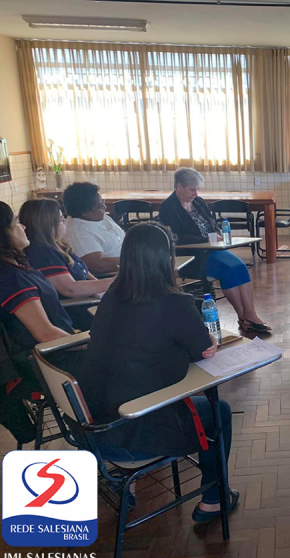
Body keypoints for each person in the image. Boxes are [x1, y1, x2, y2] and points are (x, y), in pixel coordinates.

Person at [81, 223, 239, 521]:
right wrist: (207, 338)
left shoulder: (113, 294)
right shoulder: (174, 303)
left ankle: (123, 480)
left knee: (131, 381)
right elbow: (202, 349)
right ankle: (213, 499)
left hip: (91, 426)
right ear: (167, 259)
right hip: (133, 432)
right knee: (220, 411)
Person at [0, 201, 83, 441]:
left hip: (48, 355)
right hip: (49, 362)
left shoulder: (7, 268)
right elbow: (45, 334)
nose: (22, 226)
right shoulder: (11, 278)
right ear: (0, 233)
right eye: (15, 222)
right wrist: (86, 343)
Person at [158, 167, 269, 334]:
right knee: (227, 270)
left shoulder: (198, 202)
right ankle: (244, 317)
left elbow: (213, 223)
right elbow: (176, 237)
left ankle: (250, 314)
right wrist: (205, 239)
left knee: (239, 266)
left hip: (213, 249)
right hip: (192, 255)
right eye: (192, 190)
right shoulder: (168, 207)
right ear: (179, 186)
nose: (195, 194)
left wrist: (216, 233)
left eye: (197, 190)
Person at [19, 199, 113, 331]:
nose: (64, 222)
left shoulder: (59, 244)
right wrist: (113, 282)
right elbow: (70, 289)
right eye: (61, 219)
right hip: (78, 311)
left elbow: (84, 272)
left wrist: (103, 288)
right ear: (48, 224)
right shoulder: (42, 254)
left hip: (92, 300)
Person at [62, 182, 125, 276]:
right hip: (118, 275)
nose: (105, 207)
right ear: (83, 212)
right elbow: (98, 266)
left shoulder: (97, 217)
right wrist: (133, 260)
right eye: (100, 205)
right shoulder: (79, 234)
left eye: (103, 203)